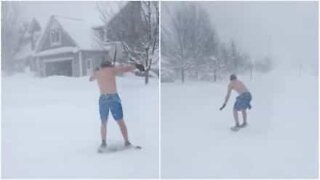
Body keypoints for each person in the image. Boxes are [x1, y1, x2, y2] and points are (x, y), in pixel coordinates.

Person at [89, 60, 145, 151]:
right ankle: (126, 141)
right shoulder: (112, 70)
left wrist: (94, 71)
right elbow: (125, 69)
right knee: (120, 121)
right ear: (109, 65)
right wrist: (136, 66)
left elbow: (91, 79)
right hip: (113, 98)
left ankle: (103, 142)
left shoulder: (98, 73)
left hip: (103, 99)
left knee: (104, 122)